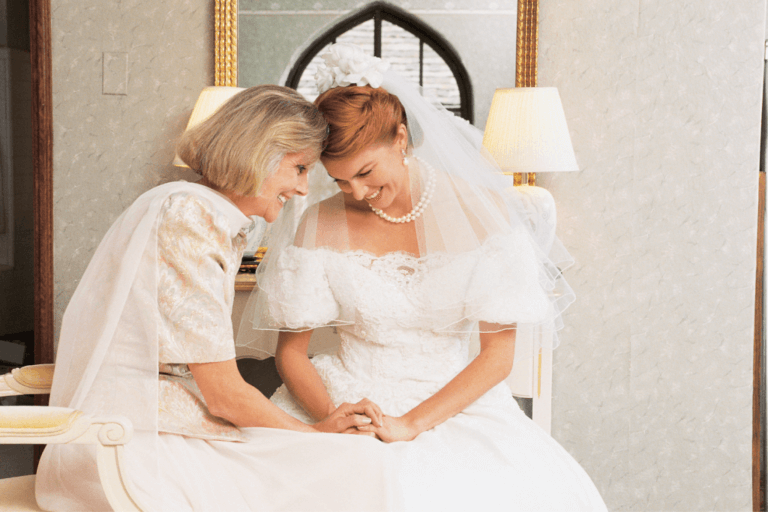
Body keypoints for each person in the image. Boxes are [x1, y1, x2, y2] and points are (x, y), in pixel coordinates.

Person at [239, 44, 608, 511]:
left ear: (400, 138)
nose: (358, 192)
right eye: (340, 181)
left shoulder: (484, 212)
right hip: (347, 400)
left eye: (366, 172)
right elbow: (291, 354)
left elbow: (497, 356)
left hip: (454, 404)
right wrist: (333, 419)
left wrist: (411, 424)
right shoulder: (318, 221)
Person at [35, 85, 398, 512]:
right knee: (357, 462)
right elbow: (225, 395)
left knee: (341, 461)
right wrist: (315, 434)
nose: (303, 188)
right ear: (259, 152)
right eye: (299, 168)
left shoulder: (182, 205)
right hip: (133, 449)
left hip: (137, 430)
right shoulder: (193, 216)